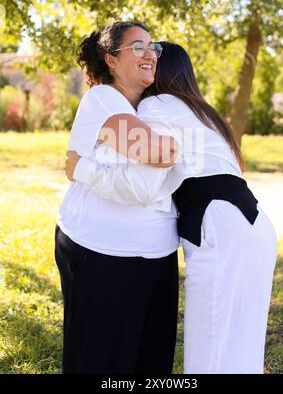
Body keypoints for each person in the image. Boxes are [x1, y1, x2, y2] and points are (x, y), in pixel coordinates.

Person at [66, 42, 278, 374]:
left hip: (218, 225)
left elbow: (143, 185)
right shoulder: (204, 112)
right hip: (255, 225)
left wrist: (79, 168)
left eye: (152, 58)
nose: (145, 61)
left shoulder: (157, 106)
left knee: (209, 349)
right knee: (242, 345)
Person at [55, 23, 180, 374]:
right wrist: (175, 144)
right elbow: (156, 150)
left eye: (152, 47)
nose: (150, 54)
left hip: (158, 255)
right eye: (137, 47)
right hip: (100, 252)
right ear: (111, 59)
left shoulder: (157, 107)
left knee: (150, 361)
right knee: (100, 360)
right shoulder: (103, 98)